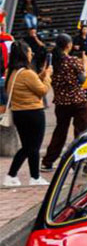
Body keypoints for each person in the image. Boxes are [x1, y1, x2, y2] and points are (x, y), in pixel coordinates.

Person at [3, 41, 51, 187]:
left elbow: (29, 85)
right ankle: (34, 177)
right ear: (24, 55)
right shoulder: (27, 73)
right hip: (33, 113)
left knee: (27, 147)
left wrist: (41, 75)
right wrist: (48, 76)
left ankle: (12, 175)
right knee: (34, 147)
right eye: (30, 52)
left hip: (19, 113)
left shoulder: (11, 72)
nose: (31, 55)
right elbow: (42, 90)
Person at [41, 34, 87, 171]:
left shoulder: (52, 62)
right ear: (68, 45)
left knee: (60, 131)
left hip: (61, 102)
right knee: (81, 132)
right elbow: (82, 80)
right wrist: (85, 65)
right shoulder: (72, 61)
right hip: (77, 100)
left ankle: (48, 161)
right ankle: (78, 160)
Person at [21, 0, 45, 70]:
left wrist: (36, 38)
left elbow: (42, 45)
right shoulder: (26, 38)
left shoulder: (38, 37)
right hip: (30, 54)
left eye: (34, 31)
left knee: (34, 20)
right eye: (32, 32)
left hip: (37, 55)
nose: (33, 33)